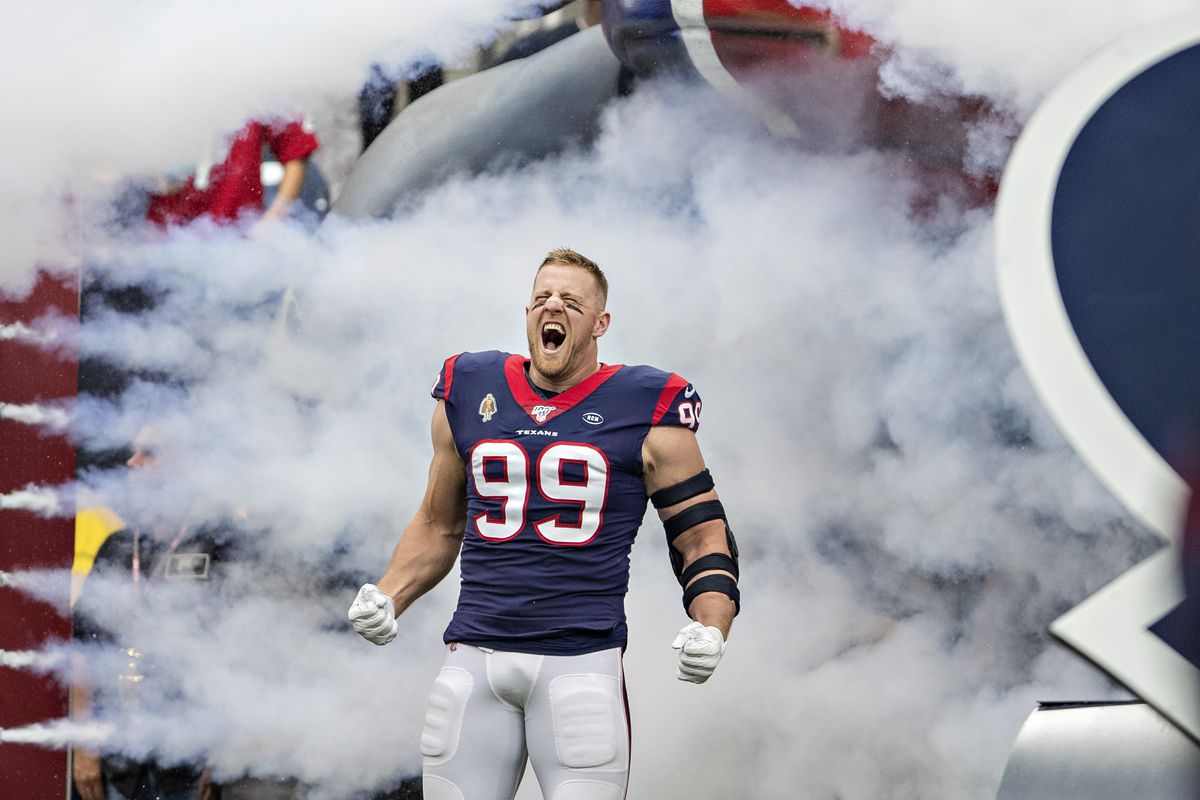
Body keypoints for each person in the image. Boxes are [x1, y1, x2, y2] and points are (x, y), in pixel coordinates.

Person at [348, 248, 741, 800]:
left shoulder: (647, 402)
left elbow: (700, 534)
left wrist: (712, 623)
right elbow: (439, 524)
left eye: (571, 302)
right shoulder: (471, 385)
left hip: (580, 663)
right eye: (542, 298)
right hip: (475, 659)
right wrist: (389, 594)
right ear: (527, 313)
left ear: (600, 323)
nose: (553, 306)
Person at [145, 118, 319, 228]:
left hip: (235, 236)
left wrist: (276, 216)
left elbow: (296, 147)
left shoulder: (254, 81)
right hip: (162, 234)